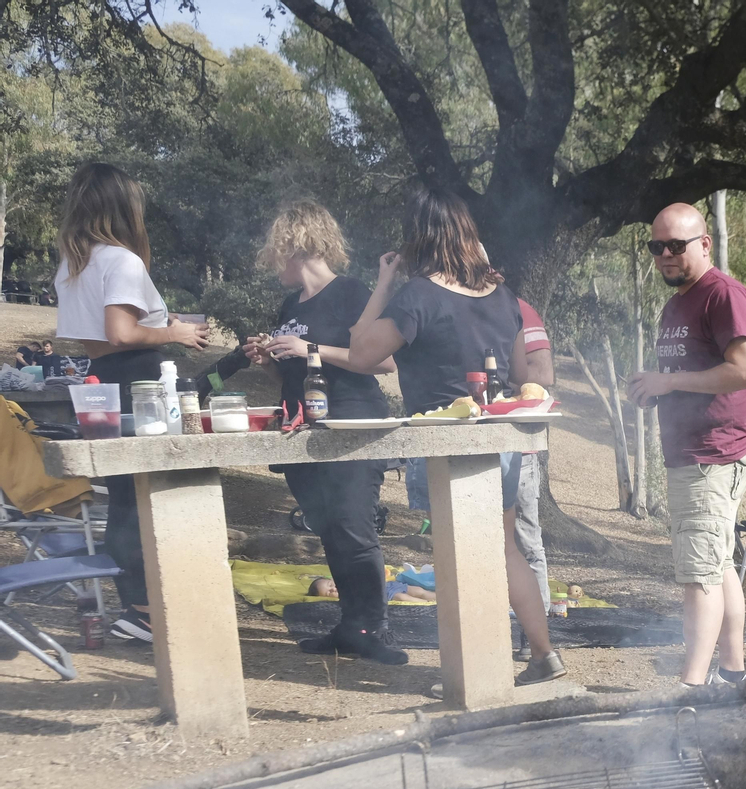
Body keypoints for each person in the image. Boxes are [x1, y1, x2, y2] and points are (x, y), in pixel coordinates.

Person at [348, 186, 564, 687]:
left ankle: (472, 669)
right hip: (498, 440)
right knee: (505, 548)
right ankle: (543, 654)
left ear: (418, 238)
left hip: (444, 441)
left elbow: (361, 353)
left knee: (457, 555)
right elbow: (516, 373)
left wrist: (383, 282)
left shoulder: (419, 294)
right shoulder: (504, 297)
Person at [51, 162, 210, 643]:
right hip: (139, 379)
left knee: (124, 496)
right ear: (125, 208)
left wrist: (162, 323)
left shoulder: (75, 262)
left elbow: (98, 334)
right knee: (154, 492)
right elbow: (122, 332)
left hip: (100, 378)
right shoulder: (122, 260)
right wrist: (175, 333)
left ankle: (135, 605)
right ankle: (145, 610)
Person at [244, 200, 405, 664]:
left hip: (352, 424)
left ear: (295, 244)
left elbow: (387, 360)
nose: (272, 261)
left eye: (276, 250)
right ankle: (349, 627)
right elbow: (291, 377)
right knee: (331, 531)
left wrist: (308, 345)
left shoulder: (352, 293)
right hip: (302, 431)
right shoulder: (289, 304)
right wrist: (273, 360)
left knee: (354, 528)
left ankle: (374, 629)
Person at [625, 203, 746, 687]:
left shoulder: (722, 295)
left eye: (676, 246)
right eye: (656, 246)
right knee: (718, 563)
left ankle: (691, 688)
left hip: (713, 453)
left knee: (699, 575)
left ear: (704, 243)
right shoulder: (678, 300)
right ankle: (732, 672)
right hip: (694, 452)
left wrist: (668, 382)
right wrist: (656, 389)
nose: (665, 255)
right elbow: (685, 377)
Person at [511, 297, 555, 637]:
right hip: (462, 448)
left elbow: (543, 373)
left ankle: (535, 638)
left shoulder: (519, 308)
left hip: (517, 446)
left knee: (526, 540)